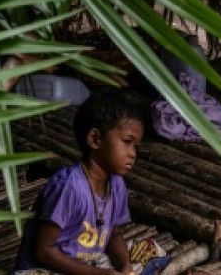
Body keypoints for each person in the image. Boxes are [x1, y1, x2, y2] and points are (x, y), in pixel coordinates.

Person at [12, 93, 167, 275]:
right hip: (50, 268)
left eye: (135, 147)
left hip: (91, 262)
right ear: (95, 139)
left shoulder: (116, 185)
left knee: (151, 251)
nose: (132, 153)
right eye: (126, 142)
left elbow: (114, 233)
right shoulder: (69, 186)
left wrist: (126, 267)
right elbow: (44, 251)